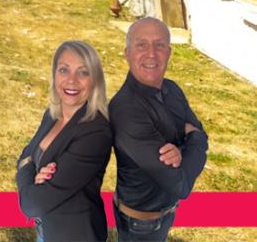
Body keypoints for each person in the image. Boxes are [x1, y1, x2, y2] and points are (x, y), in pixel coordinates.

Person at [110, 17, 207, 241]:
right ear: (127, 53)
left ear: (169, 52)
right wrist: (193, 139)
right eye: (141, 45)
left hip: (165, 213)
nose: (152, 54)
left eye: (160, 45)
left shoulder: (172, 89)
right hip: (140, 224)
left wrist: (181, 151)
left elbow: (201, 133)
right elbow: (180, 184)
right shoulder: (125, 110)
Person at [16, 40, 113, 242]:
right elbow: (26, 155)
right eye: (64, 70)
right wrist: (31, 173)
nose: (72, 80)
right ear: (54, 75)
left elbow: (33, 205)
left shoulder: (96, 133)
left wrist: (27, 175)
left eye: (83, 72)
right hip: (47, 230)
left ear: (95, 80)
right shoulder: (53, 114)